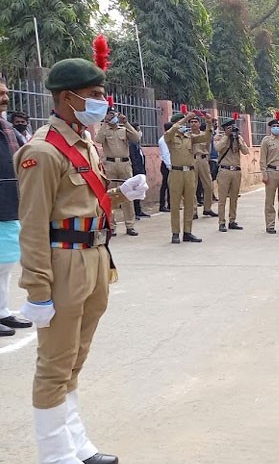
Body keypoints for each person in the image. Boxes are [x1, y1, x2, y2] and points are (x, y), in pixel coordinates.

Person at [14, 57, 148, 464]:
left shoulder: (84, 141)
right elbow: (33, 225)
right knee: (54, 364)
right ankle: (54, 454)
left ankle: (75, 443)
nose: (102, 102)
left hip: (94, 257)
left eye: (102, 94)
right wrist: (37, 289)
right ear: (67, 97)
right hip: (62, 264)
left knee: (75, 359)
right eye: (93, 96)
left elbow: (86, 200)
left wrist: (122, 192)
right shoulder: (41, 151)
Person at [0, 81, 32, 337]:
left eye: (6, 93)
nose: (5, 98)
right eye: (0, 94)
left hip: (10, 203)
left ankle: (2, 311)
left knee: (6, 263)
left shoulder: (9, 129)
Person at [164, 112, 213, 243]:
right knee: (175, 204)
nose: (184, 124)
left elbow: (206, 137)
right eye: (181, 122)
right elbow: (169, 132)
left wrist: (208, 122)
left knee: (190, 203)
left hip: (189, 172)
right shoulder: (170, 137)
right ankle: (175, 233)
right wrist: (185, 118)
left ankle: (187, 232)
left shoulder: (190, 137)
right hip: (176, 173)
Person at [94, 108, 141, 236]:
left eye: (113, 114)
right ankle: (111, 226)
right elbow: (98, 140)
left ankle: (130, 225)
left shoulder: (123, 129)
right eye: (110, 115)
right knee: (111, 196)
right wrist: (105, 122)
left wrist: (126, 123)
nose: (112, 117)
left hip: (125, 164)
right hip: (110, 164)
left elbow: (136, 138)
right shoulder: (104, 129)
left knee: (127, 194)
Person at [215, 119, 249, 232]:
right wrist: (227, 136)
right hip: (224, 170)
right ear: (224, 129)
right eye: (229, 128)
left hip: (236, 171)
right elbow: (218, 148)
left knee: (234, 198)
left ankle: (232, 221)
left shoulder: (238, 139)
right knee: (222, 198)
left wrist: (238, 139)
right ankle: (221, 222)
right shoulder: (219, 138)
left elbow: (245, 151)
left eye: (233, 127)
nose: (232, 130)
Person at [260, 115, 279, 234]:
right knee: (270, 201)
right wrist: (264, 173)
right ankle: (270, 225)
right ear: (270, 128)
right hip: (271, 172)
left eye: (278, 126)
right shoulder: (266, 141)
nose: (276, 128)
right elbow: (263, 158)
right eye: (274, 126)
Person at [191, 116, 218, 218]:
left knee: (208, 184)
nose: (193, 124)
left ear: (199, 123)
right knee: (192, 186)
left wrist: (209, 122)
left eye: (195, 122)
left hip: (203, 159)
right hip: (192, 159)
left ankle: (207, 208)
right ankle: (193, 211)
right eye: (192, 122)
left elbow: (208, 146)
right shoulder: (187, 135)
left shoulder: (204, 135)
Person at [128, 122, 150, 220]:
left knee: (139, 191)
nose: (140, 132)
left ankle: (139, 210)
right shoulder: (131, 144)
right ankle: (135, 211)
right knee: (133, 191)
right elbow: (134, 158)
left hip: (140, 170)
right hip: (135, 171)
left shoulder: (137, 143)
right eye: (138, 130)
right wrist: (137, 170)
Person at [158, 124, 171, 212]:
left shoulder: (169, 138)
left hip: (170, 164)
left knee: (171, 186)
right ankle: (162, 205)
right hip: (167, 164)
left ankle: (170, 204)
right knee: (165, 185)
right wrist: (169, 165)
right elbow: (165, 154)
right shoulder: (163, 140)